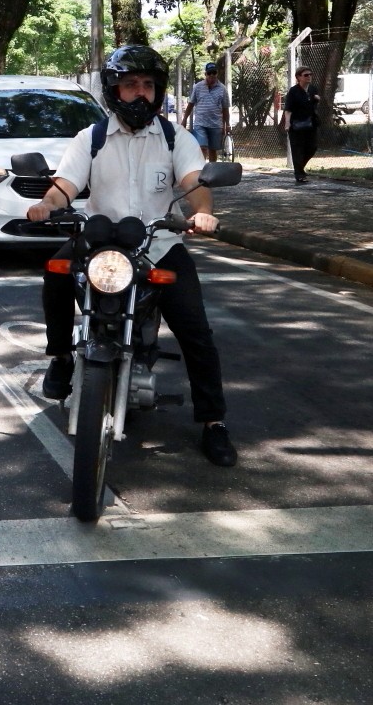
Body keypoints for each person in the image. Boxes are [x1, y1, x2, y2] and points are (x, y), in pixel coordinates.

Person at [26, 44, 236, 467]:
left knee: (195, 329)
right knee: (55, 273)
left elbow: (196, 181)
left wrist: (205, 215)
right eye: (130, 85)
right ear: (114, 91)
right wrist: (47, 204)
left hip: (158, 244)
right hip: (101, 241)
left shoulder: (177, 137)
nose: (139, 93)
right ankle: (62, 357)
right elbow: (65, 184)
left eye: (147, 85)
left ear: (157, 92)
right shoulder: (93, 138)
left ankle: (214, 423)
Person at [181, 62, 231, 164]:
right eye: (209, 73)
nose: (212, 75)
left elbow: (225, 109)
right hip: (200, 123)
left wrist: (227, 124)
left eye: (214, 73)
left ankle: (211, 170)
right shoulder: (198, 87)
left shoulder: (222, 89)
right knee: (202, 147)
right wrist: (184, 119)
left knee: (212, 150)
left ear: (217, 73)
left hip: (215, 124)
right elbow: (191, 104)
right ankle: (202, 169)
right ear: (206, 74)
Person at [280, 66, 321, 184]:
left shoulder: (313, 89)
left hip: (311, 123)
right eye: (306, 75)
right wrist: (287, 123)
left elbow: (314, 103)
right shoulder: (294, 91)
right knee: (297, 149)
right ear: (298, 77)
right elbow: (288, 109)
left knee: (312, 147)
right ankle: (299, 174)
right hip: (296, 124)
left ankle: (299, 168)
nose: (309, 77)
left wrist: (317, 98)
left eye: (310, 74)